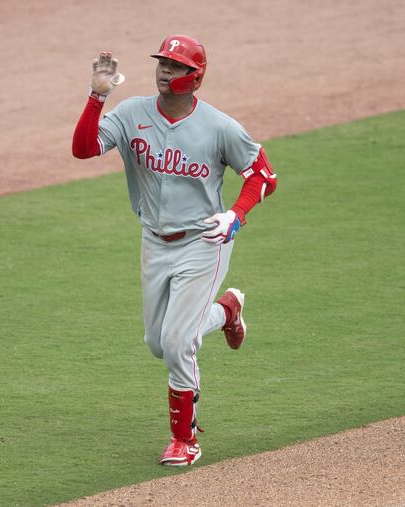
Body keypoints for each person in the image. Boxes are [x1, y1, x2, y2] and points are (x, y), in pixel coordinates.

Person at [72, 35, 277, 466]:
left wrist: (235, 215)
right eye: (163, 62)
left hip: (204, 242)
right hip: (154, 240)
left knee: (178, 341)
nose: (165, 70)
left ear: (194, 77)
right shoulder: (132, 113)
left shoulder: (220, 127)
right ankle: (227, 311)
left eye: (176, 66)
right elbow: (84, 149)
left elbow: (263, 175)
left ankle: (185, 440)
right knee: (156, 342)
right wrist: (97, 96)